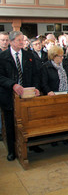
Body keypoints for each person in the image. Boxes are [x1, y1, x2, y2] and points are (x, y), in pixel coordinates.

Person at [0, 31, 40, 161]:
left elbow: (35, 73)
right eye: (18, 40)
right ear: (11, 42)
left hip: (27, 95)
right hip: (9, 96)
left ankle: (33, 145)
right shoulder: (3, 56)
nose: (22, 42)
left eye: (22, 40)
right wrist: (13, 84)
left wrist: (36, 88)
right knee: (11, 123)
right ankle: (12, 150)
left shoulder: (29, 55)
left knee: (30, 120)